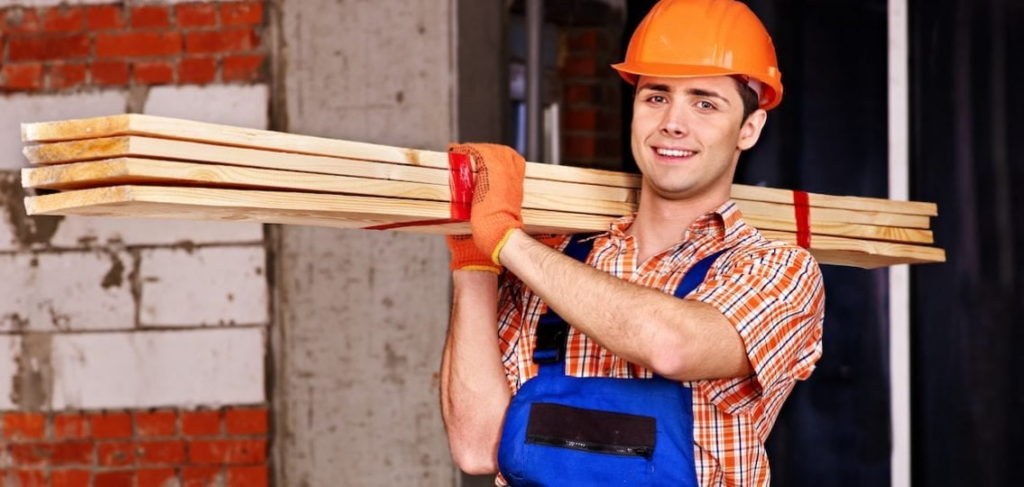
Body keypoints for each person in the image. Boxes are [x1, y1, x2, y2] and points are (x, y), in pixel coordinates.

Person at [439, 0, 825, 484]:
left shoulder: (777, 271)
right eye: (656, 96)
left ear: (749, 128)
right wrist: (475, 260)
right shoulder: (555, 259)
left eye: (705, 103)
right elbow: (476, 448)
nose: (673, 123)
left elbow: (672, 347)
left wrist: (507, 241)